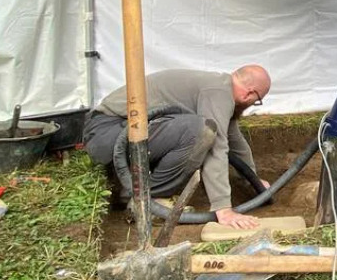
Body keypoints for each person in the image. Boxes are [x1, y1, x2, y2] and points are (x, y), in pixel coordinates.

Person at [83, 65, 271, 228]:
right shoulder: (218, 92)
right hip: (107, 134)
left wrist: (253, 180)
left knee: (201, 129)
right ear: (249, 93)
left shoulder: (218, 87)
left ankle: (140, 190)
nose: (253, 103)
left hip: (111, 131)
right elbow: (217, 147)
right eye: (257, 100)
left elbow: (234, 139)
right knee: (200, 131)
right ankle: (149, 200)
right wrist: (223, 209)